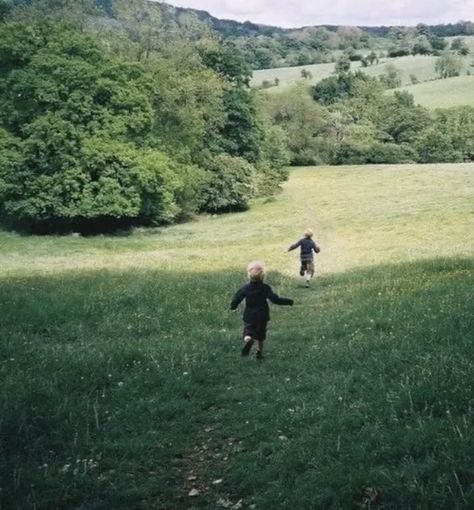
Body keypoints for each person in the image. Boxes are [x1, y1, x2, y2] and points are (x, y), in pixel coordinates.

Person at [230, 261, 294, 359]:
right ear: (263, 276)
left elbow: (236, 299)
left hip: (249, 316)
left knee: (248, 331)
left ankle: (248, 339)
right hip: (262, 315)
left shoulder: (245, 288)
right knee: (261, 336)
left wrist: (233, 307)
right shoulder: (265, 288)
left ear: (249, 276)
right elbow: (275, 299)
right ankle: (259, 353)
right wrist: (289, 301)